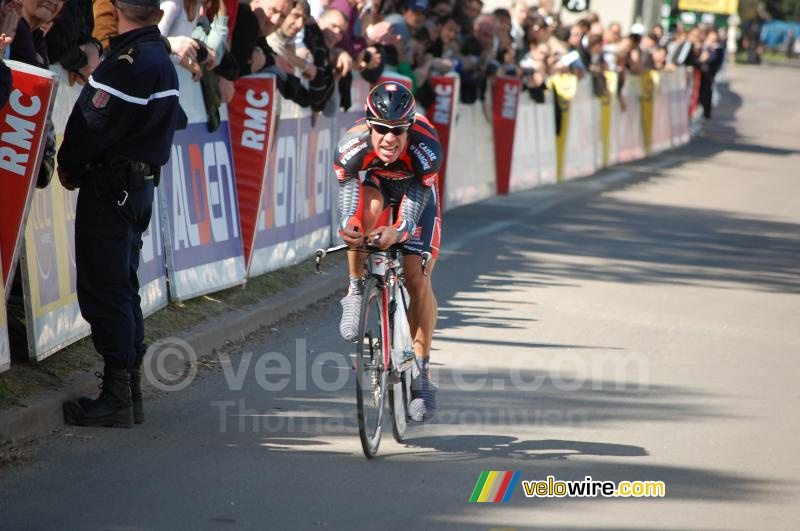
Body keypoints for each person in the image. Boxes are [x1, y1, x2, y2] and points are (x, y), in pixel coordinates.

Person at [58, 0, 181, 428]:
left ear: (114, 10)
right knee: (122, 284)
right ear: (159, 15)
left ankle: (116, 396)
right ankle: (128, 392)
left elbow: (92, 126)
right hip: (137, 186)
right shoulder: (156, 56)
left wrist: (69, 166)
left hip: (112, 187)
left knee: (105, 288)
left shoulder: (129, 62)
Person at [334, 82, 441, 422]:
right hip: (377, 182)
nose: (389, 139)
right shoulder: (351, 145)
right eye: (381, 129)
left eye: (398, 131)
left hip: (415, 191)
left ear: (409, 128)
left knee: (416, 277)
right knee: (361, 220)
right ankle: (354, 289)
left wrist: (396, 232)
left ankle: (422, 372)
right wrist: (352, 228)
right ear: (369, 125)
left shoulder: (427, 148)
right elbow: (348, 198)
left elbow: (410, 215)